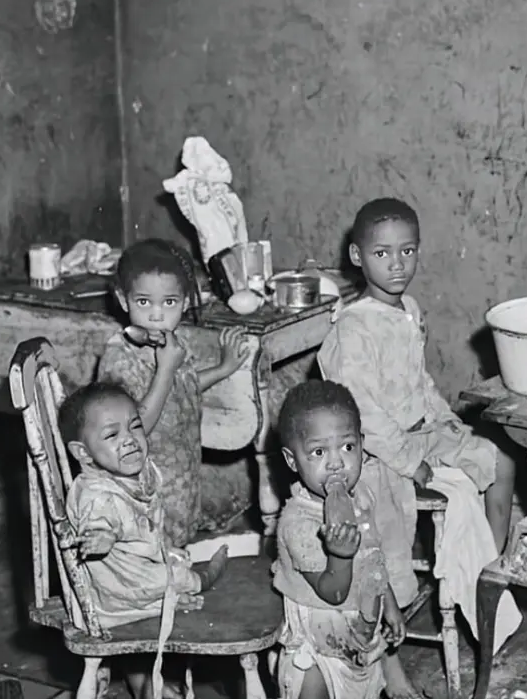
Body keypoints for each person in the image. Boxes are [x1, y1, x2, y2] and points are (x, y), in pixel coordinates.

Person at [318, 197, 517, 696]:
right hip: (378, 449)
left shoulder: (407, 309)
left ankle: (487, 587)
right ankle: (389, 661)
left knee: (500, 461)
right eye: (383, 253)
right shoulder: (354, 327)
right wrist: (412, 462)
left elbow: (419, 381)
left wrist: (446, 422)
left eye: (408, 251)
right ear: (358, 256)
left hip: (419, 429)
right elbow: (362, 413)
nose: (397, 264)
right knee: (381, 535)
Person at [60, 382, 230, 699]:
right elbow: (101, 524)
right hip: (118, 590)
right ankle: (200, 581)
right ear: (83, 454)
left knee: (174, 557)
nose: (129, 439)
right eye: (112, 435)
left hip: (130, 568)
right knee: (179, 575)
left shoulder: (125, 474)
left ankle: (142, 679)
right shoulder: (98, 497)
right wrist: (100, 538)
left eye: (135, 426)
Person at [98, 238, 248, 548]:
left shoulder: (170, 343)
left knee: (177, 549)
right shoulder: (120, 358)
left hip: (181, 478)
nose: (157, 314)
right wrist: (165, 369)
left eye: (169, 302)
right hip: (145, 490)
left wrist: (223, 369)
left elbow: (184, 385)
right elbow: (133, 428)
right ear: (123, 300)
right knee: (152, 558)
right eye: (143, 302)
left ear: (185, 301)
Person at [272, 380, 407, 699]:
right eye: (318, 452)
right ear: (293, 461)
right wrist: (340, 555)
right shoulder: (299, 523)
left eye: (347, 447)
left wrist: (389, 603)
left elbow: (373, 556)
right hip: (318, 642)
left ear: (362, 443)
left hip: (358, 632)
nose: (336, 463)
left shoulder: (361, 497)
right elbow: (332, 592)